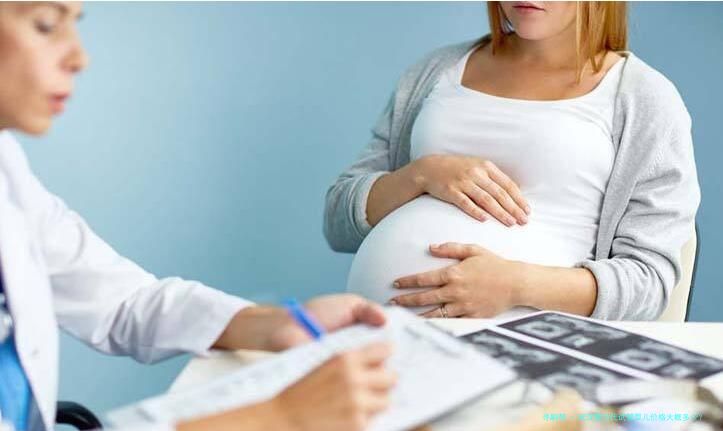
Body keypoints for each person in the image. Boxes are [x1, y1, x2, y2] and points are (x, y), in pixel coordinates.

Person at [0, 3, 394, 431]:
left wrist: (272, 325)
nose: (79, 57)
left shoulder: (7, 169)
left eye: (74, 24)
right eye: (45, 25)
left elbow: (122, 302)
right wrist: (281, 417)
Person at [324, 1, 699, 320]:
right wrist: (420, 175)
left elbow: (649, 283)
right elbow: (337, 220)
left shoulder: (645, 98)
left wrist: (515, 285)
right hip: (376, 349)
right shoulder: (436, 71)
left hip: (529, 356)